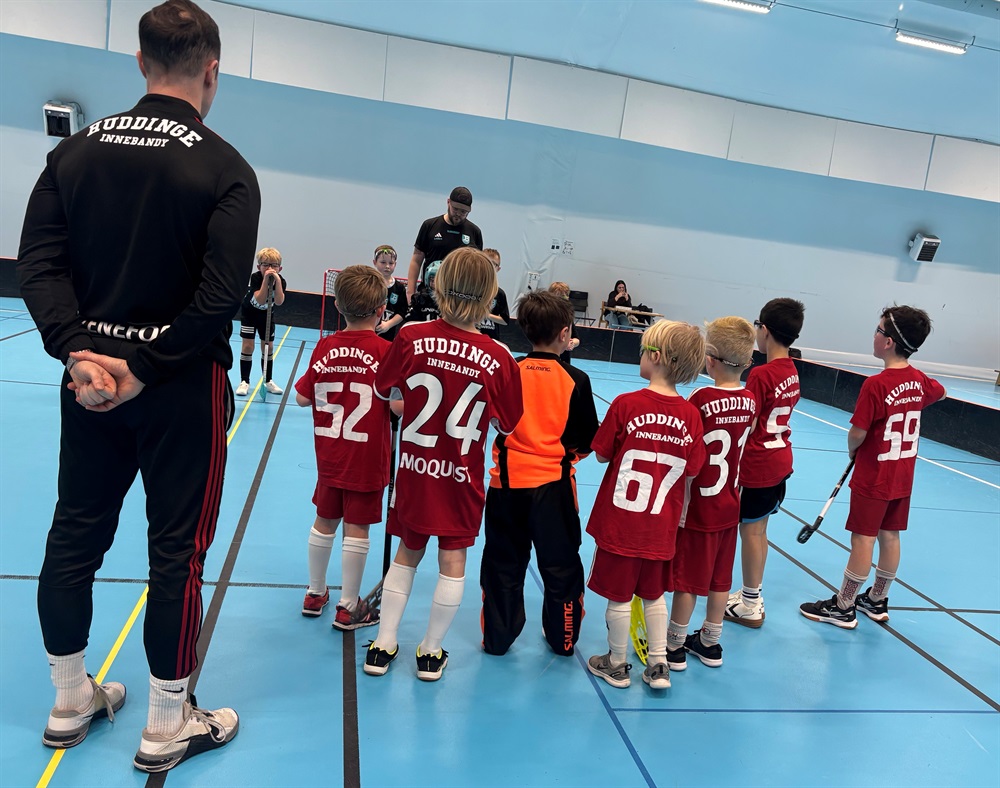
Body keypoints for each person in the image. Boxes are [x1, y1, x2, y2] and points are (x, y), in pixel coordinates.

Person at [15, 0, 259, 773]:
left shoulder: (73, 154)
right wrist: (148, 366)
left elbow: (37, 264)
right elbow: (221, 296)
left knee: (75, 532)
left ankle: (68, 700)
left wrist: (76, 353)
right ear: (212, 71)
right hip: (181, 389)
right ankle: (166, 721)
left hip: (89, 383)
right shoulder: (225, 168)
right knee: (176, 553)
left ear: (141, 64)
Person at [364, 248, 523, 681]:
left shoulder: (410, 336)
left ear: (436, 285)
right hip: (461, 477)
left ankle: (383, 644)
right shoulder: (501, 357)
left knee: (406, 554)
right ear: (490, 296)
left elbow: (384, 392)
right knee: (453, 560)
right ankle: (431, 652)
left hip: (416, 472)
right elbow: (508, 425)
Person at [800, 306, 945, 628]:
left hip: (874, 476)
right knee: (890, 536)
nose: (874, 335)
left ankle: (844, 605)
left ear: (889, 341)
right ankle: (877, 599)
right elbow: (941, 391)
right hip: (902, 476)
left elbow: (858, 433)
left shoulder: (876, 385)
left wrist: (853, 450)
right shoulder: (919, 380)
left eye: (878, 330)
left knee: (863, 539)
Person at [586, 321, 707, 690]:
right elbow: (694, 468)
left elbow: (601, 454)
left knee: (619, 597)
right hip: (661, 527)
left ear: (656, 356)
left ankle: (616, 662)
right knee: (654, 596)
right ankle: (658, 664)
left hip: (620, 525)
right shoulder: (691, 415)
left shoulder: (626, 404)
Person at [480, 291, 599, 657]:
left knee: (502, 565)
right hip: (554, 490)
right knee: (561, 567)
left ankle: (497, 639)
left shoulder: (509, 371)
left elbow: (492, 421)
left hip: (506, 486)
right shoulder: (576, 379)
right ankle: (563, 639)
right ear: (565, 334)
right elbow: (586, 441)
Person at [293, 266, 391, 630]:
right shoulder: (386, 352)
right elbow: (398, 405)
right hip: (367, 459)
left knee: (324, 521)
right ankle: (349, 606)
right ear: (381, 309)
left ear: (337, 305)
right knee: (358, 527)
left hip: (330, 455)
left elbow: (302, 398)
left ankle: (315, 592)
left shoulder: (324, 346)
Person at [667, 317, 757, 671]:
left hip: (699, 508)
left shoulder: (701, 398)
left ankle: (674, 645)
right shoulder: (750, 400)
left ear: (710, 359)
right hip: (730, 505)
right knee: (720, 579)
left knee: (688, 580)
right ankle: (710, 641)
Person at [725, 298, 805, 628]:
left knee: (751, 532)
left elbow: (750, 420)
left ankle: (750, 603)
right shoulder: (791, 370)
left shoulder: (761, 374)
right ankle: (751, 595)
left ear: (765, 330)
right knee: (760, 531)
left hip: (758, 466)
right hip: (780, 461)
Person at [405, 186, 483, 299]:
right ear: (448, 202)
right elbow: (416, 259)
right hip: (429, 293)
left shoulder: (474, 232)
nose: (458, 214)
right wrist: (410, 292)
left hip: (457, 297)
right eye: (455, 209)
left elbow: (477, 270)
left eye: (463, 212)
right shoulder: (429, 225)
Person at [236, 247, 286, 396]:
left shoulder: (281, 281)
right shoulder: (256, 278)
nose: (270, 268)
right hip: (250, 314)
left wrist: (277, 281)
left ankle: (268, 380)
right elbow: (260, 299)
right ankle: (244, 381)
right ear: (259, 267)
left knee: (268, 347)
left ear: (280, 268)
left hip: (267, 315)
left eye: (274, 265)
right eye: (265, 265)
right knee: (248, 346)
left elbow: (279, 301)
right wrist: (266, 281)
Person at [372, 244, 408, 341]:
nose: (387, 266)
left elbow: (402, 312)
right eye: (383, 262)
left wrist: (388, 324)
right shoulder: (369, 284)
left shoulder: (400, 288)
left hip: (388, 336)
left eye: (391, 263)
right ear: (374, 262)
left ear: (395, 264)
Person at [477, 248, 510, 341]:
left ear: (498, 269)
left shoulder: (499, 294)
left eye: (493, 264)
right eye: (485, 262)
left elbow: (505, 321)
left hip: (490, 338)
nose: (488, 267)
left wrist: (485, 315)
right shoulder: (469, 288)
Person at [548, 282, 582, 363]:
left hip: (564, 360)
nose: (561, 299)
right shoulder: (545, 315)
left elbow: (576, 339)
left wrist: (572, 343)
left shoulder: (567, 317)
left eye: (564, 296)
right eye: (558, 296)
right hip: (548, 358)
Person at [401, 259, 442, 325]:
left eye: (439, 281)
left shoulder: (449, 302)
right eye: (432, 280)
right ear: (427, 280)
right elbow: (409, 320)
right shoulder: (419, 299)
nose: (435, 284)